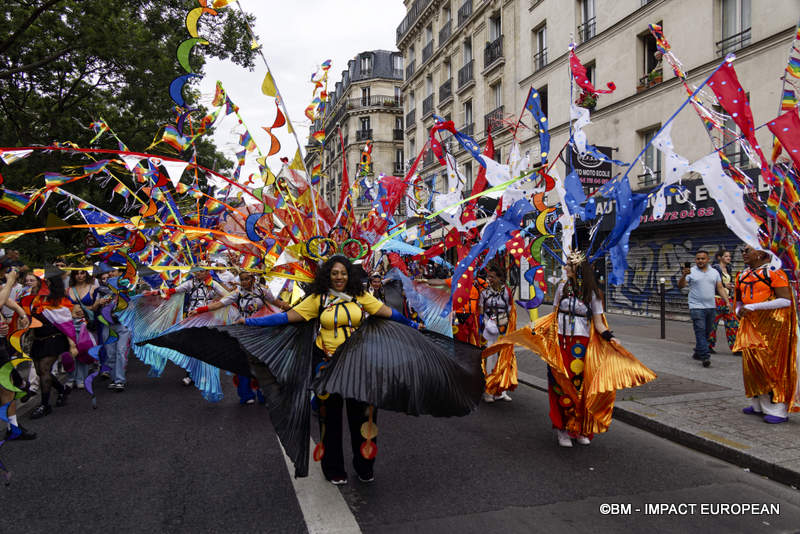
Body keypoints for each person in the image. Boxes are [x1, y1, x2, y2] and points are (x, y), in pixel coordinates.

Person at [240, 255, 421, 485]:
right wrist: (250, 323)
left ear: (350, 275)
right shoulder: (319, 298)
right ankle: (334, 468)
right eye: (334, 273)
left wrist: (413, 325)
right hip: (327, 365)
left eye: (343, 273)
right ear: (328, 275)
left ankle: (364, 466)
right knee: (330, 420)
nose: (339, 277)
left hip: (358, 366)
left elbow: (387, 313)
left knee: (364, 418)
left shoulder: (360, 296)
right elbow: (287, 317)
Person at [485, 251, 656, 447]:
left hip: (582, 346)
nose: (565, 267)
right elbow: (554, 316)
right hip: (561, 344)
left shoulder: (593, 293)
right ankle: (563, 429)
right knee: (560, 387)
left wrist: (611, 337)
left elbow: (599, 323)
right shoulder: (561, 288)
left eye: (568, 265)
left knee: (581, 388)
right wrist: (541, 337)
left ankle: (581, 428)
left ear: (578, 268)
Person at [191, 270, 289, 404]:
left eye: (247, 279)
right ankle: (246, 394)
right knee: (244, 362)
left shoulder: (262, 290)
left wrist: (293, 309)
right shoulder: (237, 293)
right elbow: (220, 304)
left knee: (263, 362)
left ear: (253, 279)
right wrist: (199, 310)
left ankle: (263, 393)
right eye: (242, 279)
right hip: (244, 331)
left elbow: (276, 302)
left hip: (261, 330)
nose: (244, 282)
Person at [733, 246, 798, 424]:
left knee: (771, 367)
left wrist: (754, 307)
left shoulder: (775, 272)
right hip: (750, 326)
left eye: (747, 250)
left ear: (761, 253)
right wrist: (739, 309)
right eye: (742, 250)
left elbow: (785, 300)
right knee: (751, 366)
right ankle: (758, 405)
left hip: (772, 328)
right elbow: (738, 299)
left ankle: (778, 410)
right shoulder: (742, 274)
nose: (743, 253)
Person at [24, 266, 78, 419]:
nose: (41, 283)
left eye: (44, 281)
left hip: (54, 339)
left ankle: (45, 405)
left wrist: (72, 344)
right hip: (38, 340)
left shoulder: (60, 300)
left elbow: (66, 324)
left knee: (44, 368)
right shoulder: (35, 298)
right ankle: (62, 390)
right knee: (41, 372)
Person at [0, 266, 35, 439]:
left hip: (0, 343)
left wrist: (21, 314)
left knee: (7, 385)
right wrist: (10, 282)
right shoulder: (7, 283)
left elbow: (4, 299)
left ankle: (12, 428)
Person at [678, 249, 729, 367]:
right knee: (700, 330)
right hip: (696, 306)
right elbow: (680, 286)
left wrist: (727, 301)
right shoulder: (691, 272)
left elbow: (720, 287)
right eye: (698, 259)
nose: (700, 261)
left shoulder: (715, 272)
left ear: (708, 259)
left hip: (711, 307)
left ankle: (698, 352)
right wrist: (684, 275)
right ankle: (705, 356)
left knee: (707, 332)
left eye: (702, 258)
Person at [479, 264, 516, 403]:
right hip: (489, 326)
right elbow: (481, 311)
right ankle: (488, 390)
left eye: (492, 277)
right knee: (490, 358)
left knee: (504, 357)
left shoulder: (507, 292)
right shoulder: (484, 293)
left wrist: (508, 326)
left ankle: (501, 390)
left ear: (500, 278)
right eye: (488, 276)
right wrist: (483, 326)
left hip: (503, 325)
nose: (489, 279)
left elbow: (511, 309)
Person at [94, 264, 130, 392]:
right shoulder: (100, 288)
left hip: (123, 324)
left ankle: (120, 380)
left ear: (119, 272)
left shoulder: (127, 286)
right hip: (107, 325)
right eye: (108, 271)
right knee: (110, 353)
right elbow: (95, 305)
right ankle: (115, 379)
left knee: (121, 352)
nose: (110, 273)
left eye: (113, 271)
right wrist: (100, 302)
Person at [66, 267, 102, 389]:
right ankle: (71, 377)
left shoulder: (94, 288)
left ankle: (81, 378)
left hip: (86, 324)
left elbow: (97, 307)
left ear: (86, 274)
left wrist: (92, 307)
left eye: (82, 273)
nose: (80, 276)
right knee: (70, 351)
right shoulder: (68, 290)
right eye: (77, 273)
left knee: (84, 350)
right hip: (70, 323)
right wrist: (72, 312)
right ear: (73, 276)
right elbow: (64, 307)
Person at [709, 248, 739, 353]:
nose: (729, 258)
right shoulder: (714, 269)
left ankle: (736, 347)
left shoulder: (729, 268)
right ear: (719, 257)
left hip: (728, 299)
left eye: (729, 256)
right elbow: (711, 283)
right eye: (726, 256)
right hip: (716, 299)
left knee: (733, 323)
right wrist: (723, 285)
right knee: (713, 324)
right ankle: (709, 346)